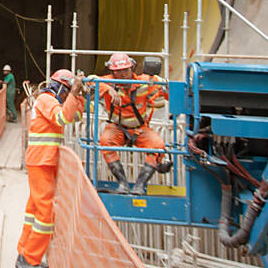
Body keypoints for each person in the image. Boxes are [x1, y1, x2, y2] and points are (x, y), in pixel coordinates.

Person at [16, 69, 84, 268]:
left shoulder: (53, 100)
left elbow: (76, 116)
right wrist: (73, 95)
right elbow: (62, 118)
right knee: (45, 214)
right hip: (41, 161)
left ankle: (23, 253)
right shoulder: (46, 100)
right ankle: (30, 259)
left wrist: (77, 96)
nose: (66, 95)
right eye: (67, 91)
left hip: (44, 161)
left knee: (34, 210)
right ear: (60, 86)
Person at [98, 53, 170, 195]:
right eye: (119, 71)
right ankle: (123, 184)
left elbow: (167, 87)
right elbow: (89, 81)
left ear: (132, 68)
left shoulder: (145, 82)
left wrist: (167, 89)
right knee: (105, 142)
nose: (123, 74)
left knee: (158, 146)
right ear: (113, 72)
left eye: (126, 70)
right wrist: (109, 90)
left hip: (140, 129)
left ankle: (139, 186)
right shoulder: (108, 82)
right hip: (117, 128)